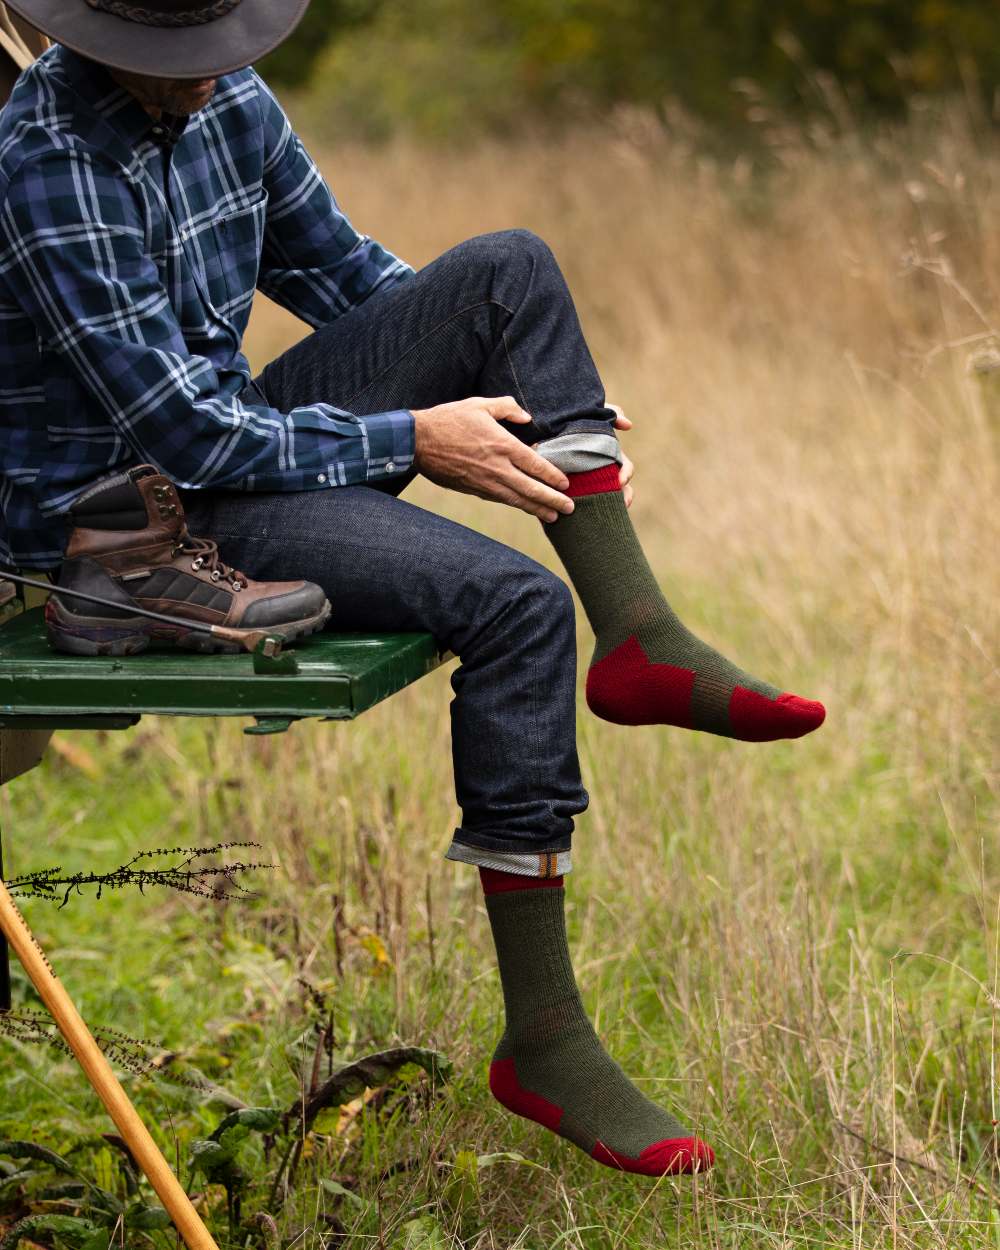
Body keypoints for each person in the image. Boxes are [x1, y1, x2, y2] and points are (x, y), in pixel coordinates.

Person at [0, 0, 826, 1177]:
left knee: (506, 273)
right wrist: (414, 436)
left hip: (236, 448)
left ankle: (639, 630)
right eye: (169, 66)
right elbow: (181, 430)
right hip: (132, 521)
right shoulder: (47, 158)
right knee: (518, 607)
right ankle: (544, 1034)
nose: (203, 82)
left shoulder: (225, 93)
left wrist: (531, 404)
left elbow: (351, 278)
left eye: (215, 54)